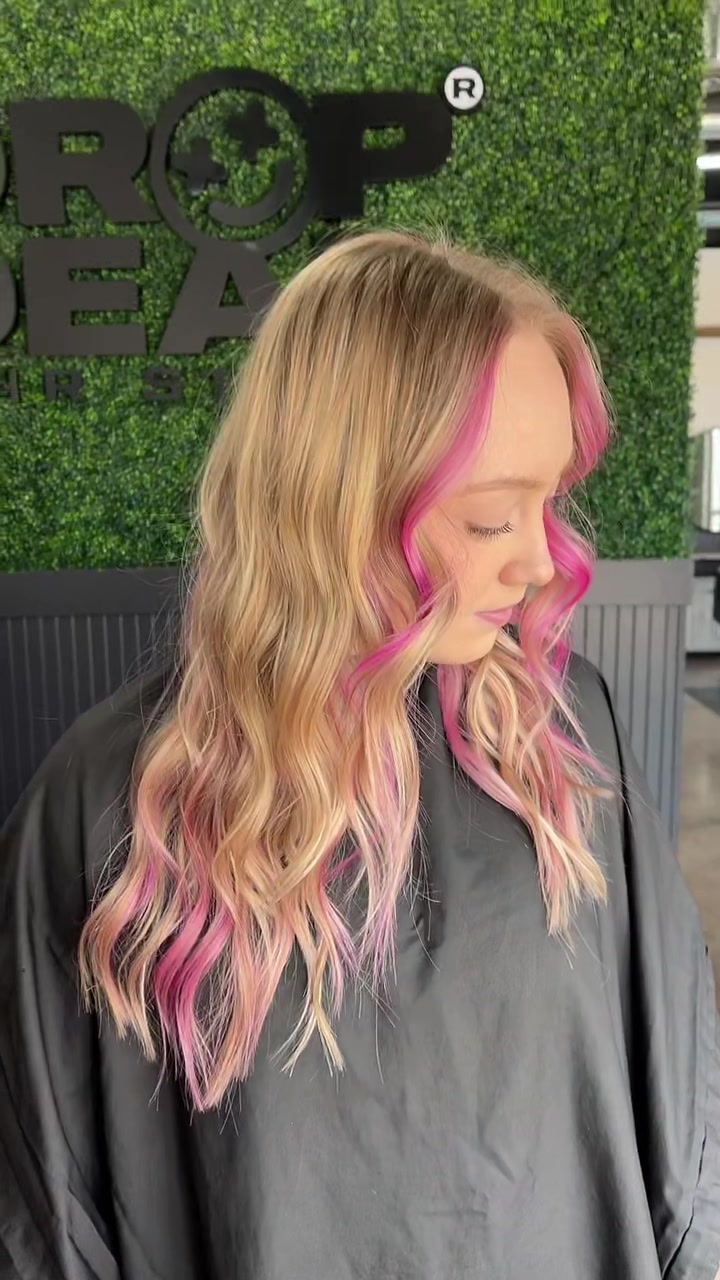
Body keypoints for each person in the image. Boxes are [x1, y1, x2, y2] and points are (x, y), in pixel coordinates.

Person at [0, 226, 719, 1280]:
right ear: (336, 504)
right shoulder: (110, 801)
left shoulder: (560, 741)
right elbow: (53, 1208)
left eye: (550, 501)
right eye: (491, 519)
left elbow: (683, 1132)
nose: (541, 560)